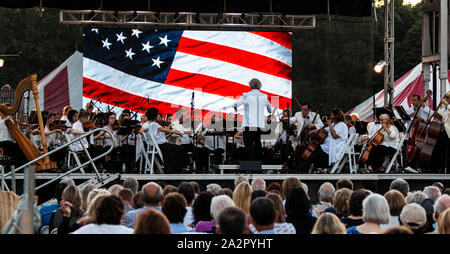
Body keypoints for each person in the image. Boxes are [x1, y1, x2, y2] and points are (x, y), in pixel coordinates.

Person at [234, 78, 273, 161]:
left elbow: (236, 104)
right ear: (260, 86)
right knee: (257, 145)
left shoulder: (246, 95)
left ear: (250, 85)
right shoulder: (264, 96)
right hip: (258, 125)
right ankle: (258, 166)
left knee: (249, 145)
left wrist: (236, 108)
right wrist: (269, 114)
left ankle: (251, 165)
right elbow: (270, 109)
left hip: (248, 124)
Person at [139, 107, 185, 173]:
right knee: (180, 149)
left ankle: (173, 168)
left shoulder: (147, 123)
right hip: (160, 146)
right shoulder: (154, 124)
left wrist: (146, 137)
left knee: (175, 148)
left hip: (154, 146)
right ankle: (174, 169)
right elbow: (164, 130)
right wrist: (176, 132)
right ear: (154, 115)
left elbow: (141, 131)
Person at [310, 108, 348, 173]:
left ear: (336, 116)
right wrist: (312, 131)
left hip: (336, 147)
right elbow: (324, 130)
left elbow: (335, 136)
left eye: (332, 115)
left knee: (318, 148)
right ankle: (318, 167)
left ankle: (320, 167)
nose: (330, 117)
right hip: (329, 145)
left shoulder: (342, 125)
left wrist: (330, 125)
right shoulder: (334, 124)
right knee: (316, 147)